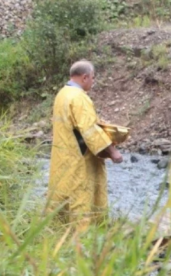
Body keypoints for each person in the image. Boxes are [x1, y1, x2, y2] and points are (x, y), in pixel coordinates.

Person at [46, 60, 123, 227]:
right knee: (81, 197)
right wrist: (112, 151)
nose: (93, 82)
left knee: (62, 193)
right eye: (93, 78)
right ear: (85, 77)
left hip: (63, 155)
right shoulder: (79, 98)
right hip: (80, 158)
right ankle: (84, 240)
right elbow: (89, 130)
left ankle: (59, 233)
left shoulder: (62, 94)